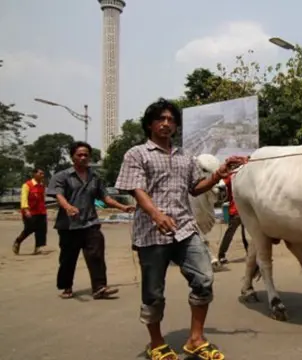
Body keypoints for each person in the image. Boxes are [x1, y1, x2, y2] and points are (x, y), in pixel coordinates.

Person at [115, 98, 247, 360]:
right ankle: (156, 344)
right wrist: (156, 214)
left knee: (204, 279)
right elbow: (135, 189)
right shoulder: (137, 154)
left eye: (171, 120)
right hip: (151, 232)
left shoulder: (186, 157)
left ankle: (196, 339)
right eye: (161, 119)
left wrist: (219, 174)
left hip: (185, 229)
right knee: (153, 293)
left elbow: (195, 188)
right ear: (150, 124)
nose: (166, 123)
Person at [49, 141, 135, 300]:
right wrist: (68, 207)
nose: (83, 158)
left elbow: (105, 197)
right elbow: (58, 194)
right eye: (79, 155)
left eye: (86, 155)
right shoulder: (62, 176)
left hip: (90, 223)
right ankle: (66, 286)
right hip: (69, 225)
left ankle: (99, 287)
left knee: (96, 255)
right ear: (72, 156)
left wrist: (122, 207)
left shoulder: (95, 177)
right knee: (68, 258)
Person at [13, 168, 48, 255]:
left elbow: (42, 198)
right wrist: (26, 210)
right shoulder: (27, 185)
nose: (42, 175)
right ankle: (18, 241)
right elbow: (24, 198)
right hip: (30, 212)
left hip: (41, 211)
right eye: (40, 173)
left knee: (42, 230)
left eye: (43, 174)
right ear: (34, 174)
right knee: (29, 229)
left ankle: (38, 248)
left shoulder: (42, 185)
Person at [217, 173, 248, 264]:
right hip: (236, 211)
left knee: (246, 234)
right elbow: (221, 185)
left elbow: (221, 185)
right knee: (231, 234)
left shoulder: (232, 176)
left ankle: (250, 253)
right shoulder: (232, 176)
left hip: (244, 210)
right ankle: (221, 255)